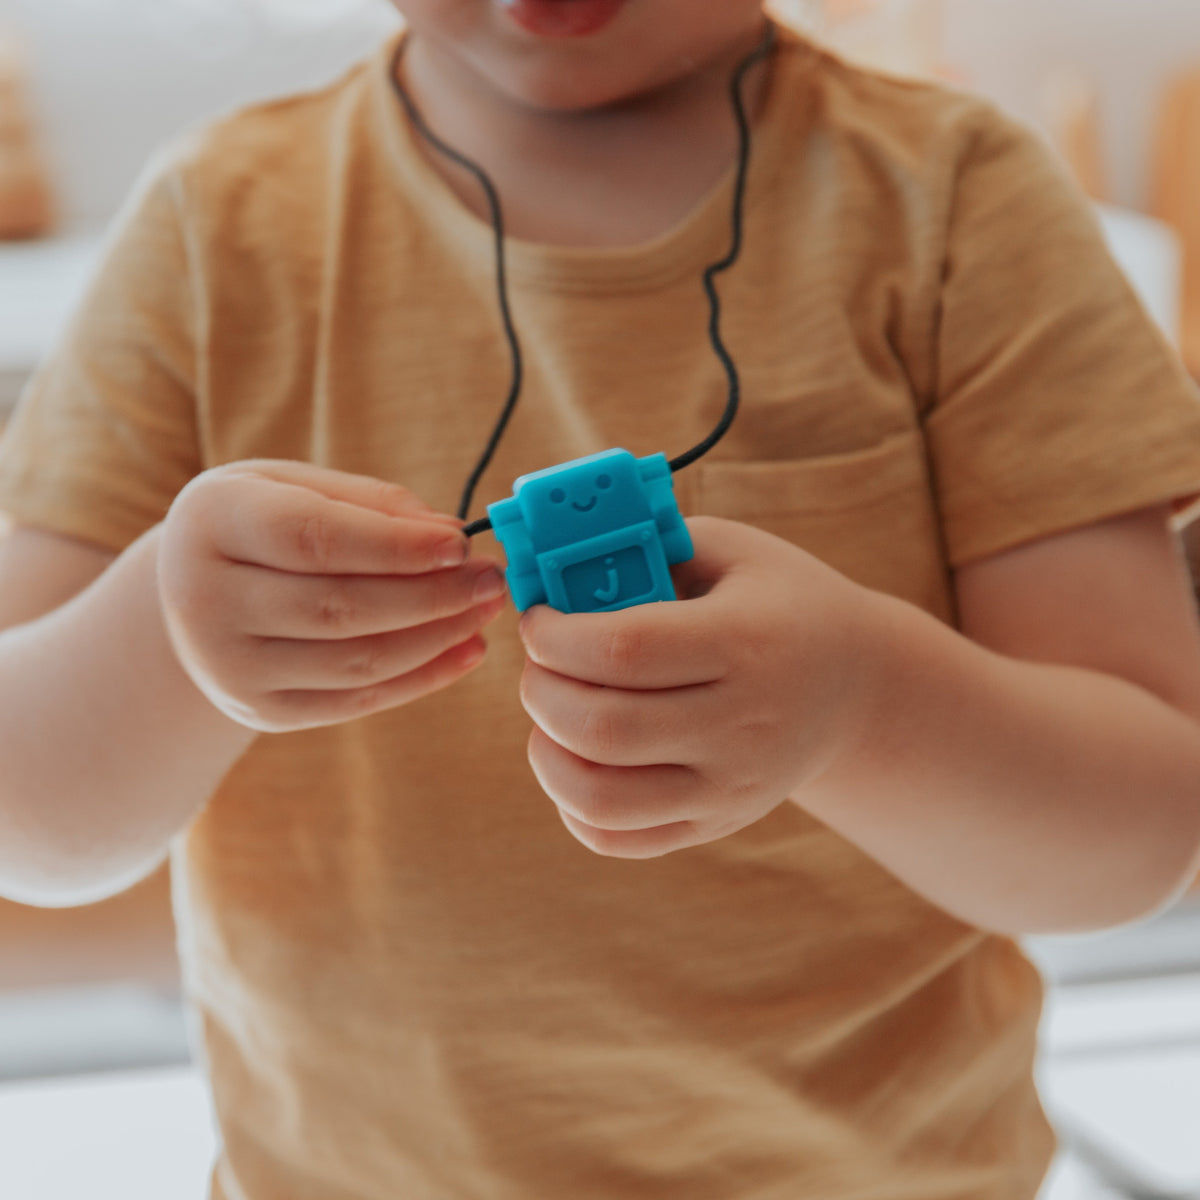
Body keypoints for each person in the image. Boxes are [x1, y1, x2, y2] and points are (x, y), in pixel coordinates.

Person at [1, 2, 1199, 1196]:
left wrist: (863, 701)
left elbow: (1145, 832)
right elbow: (26, 816)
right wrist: (165, 634)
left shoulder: (956, 201)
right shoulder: (212, 225)